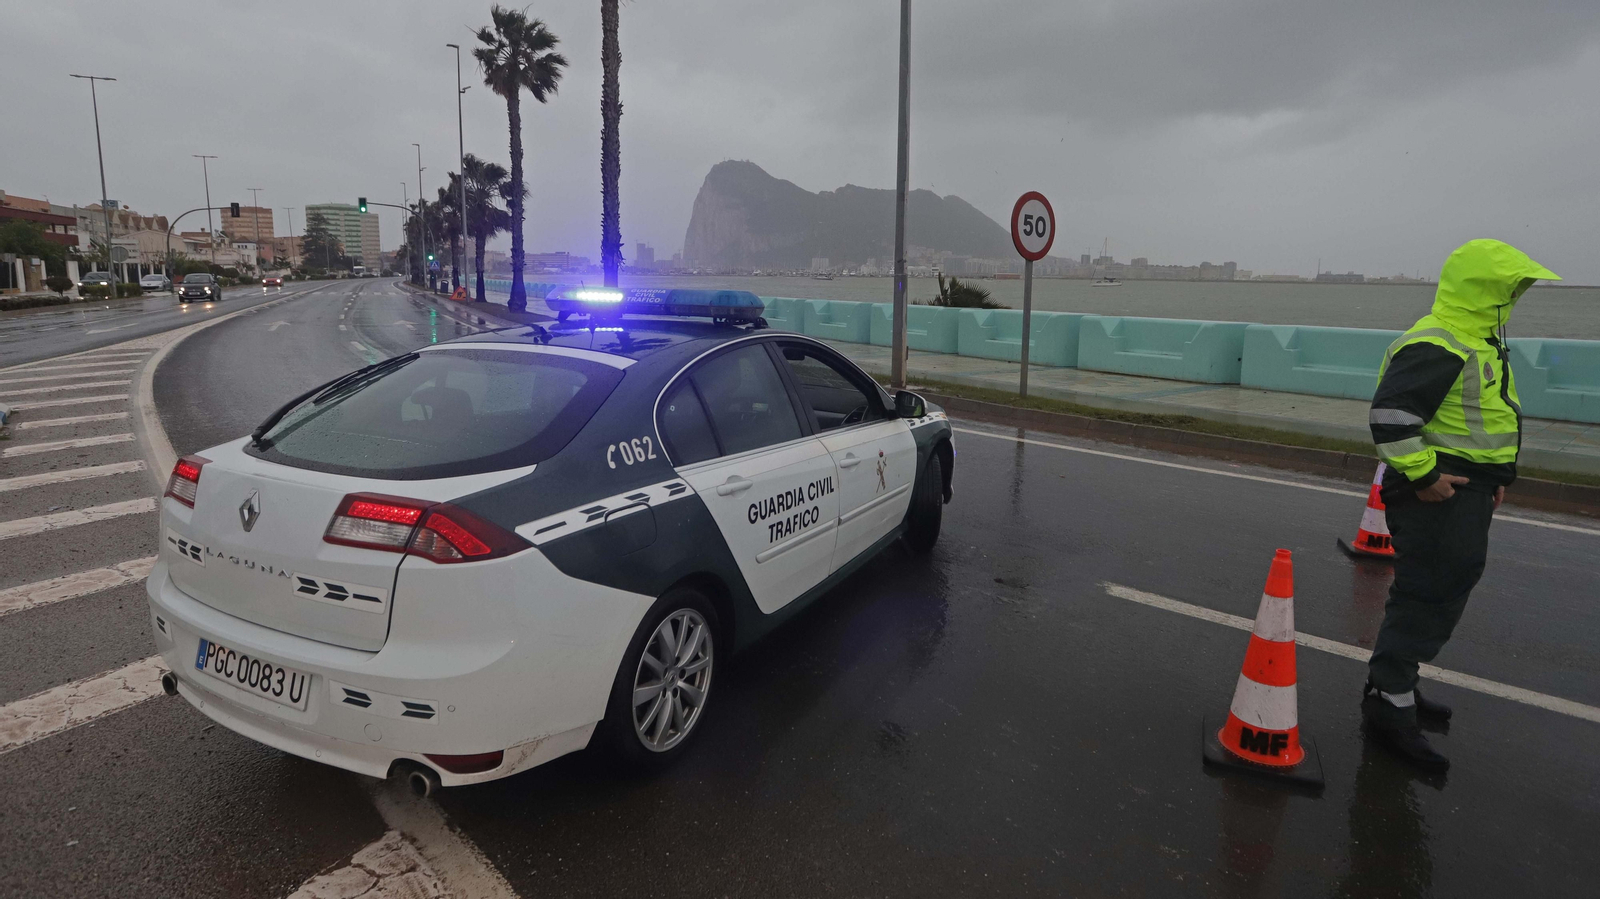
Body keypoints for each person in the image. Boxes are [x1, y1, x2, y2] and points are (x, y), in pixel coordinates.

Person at [1362, 239, 1559, 770]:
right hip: (1436, 491)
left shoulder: (1477, 338)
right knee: (1430, 590)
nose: (1519, 295)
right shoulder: (1440, 342)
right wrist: (1425, 477)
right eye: (1513, 286)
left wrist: (1493, 477)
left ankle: (1398, 683)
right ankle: (1389, 702)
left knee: (1442, 585)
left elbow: (1479, 416)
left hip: (1465, 486)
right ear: (1484, 289)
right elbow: (1391, 418)